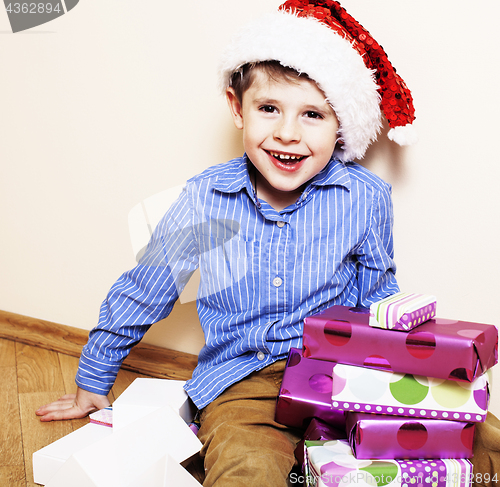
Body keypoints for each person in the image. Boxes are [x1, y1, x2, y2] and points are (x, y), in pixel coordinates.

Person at [35, 1, 436, 485]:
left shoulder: (363, 197)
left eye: (312, 114)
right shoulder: (208, 198)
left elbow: (378, 293)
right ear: (237, 108)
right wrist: (94, 375)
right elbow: (147, 286)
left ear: (341, 125)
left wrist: (408, 374)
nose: (287, 134)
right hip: (247, 383)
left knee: (445, 453)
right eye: (269, 109)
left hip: (345, 375)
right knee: (249, 466)